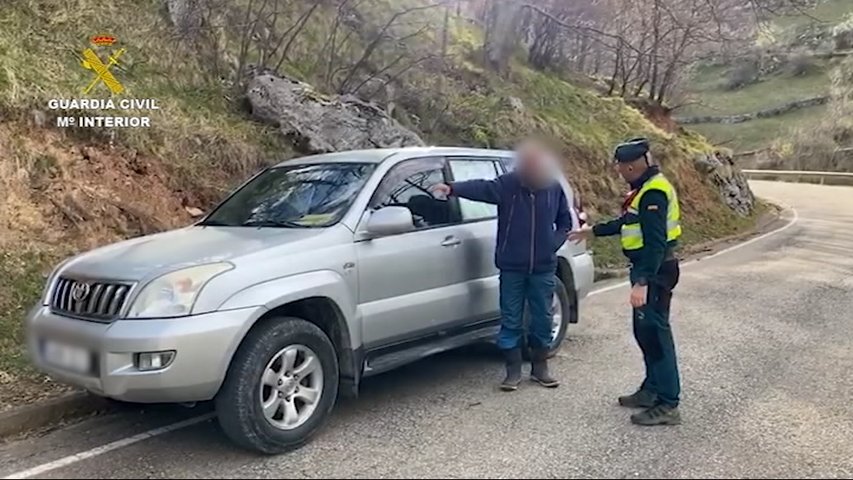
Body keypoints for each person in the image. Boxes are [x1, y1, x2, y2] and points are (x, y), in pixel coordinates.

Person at [432, 141, 573, 391]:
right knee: (510, 319)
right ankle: (512, 372)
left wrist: (554, 242)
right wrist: (452, 188)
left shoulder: (553, 187)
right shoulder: (507, 185)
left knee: (542, 317)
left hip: (543, 266)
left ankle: (540, 368)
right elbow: (481, 188)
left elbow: (565, 221)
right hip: (512, 267)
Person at [569, 137, 683, 426]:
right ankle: (652, 389)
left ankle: (668, 403)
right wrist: (593, 230)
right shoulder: (643, 190)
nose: (618, 172)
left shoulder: (654, 193)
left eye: (620, 167)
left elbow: (656, 243)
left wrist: (642, 281)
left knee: (656, 336)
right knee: (645, 333)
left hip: (655, 271)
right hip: (649, 270)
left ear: (631, 165)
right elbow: (628, 222)